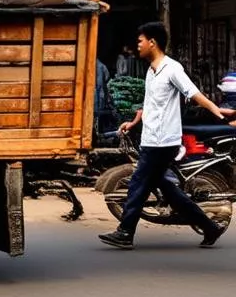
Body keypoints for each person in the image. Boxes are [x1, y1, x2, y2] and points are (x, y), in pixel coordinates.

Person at [99, 21, 235, 250]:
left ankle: (125, 232)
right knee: (168, 189)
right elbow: (149, 103)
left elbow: (193, 93)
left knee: (138, 183)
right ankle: (209, 227)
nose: (138, 45)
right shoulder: (152, 70)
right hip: (151, 138)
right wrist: (133, 122)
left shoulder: (172, 68)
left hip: (163, 141)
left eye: (141, 41)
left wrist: (217, 112)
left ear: (152, 42)